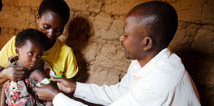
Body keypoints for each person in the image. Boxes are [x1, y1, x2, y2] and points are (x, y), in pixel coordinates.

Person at [34, 1, 201, 106]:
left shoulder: (160, 83)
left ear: (147, 43)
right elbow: (120, 93)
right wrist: (75, 88)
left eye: (126, 35)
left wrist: (56, 97)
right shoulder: (143, 62)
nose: (121, 38)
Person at [0, 29, 55, 106]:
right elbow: (5, 87)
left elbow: (50, 93)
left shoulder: (37, 74)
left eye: (39, 55)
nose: (35, 60)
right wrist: (2, 104)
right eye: (30, 53)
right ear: (17, 52)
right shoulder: (10, 66)